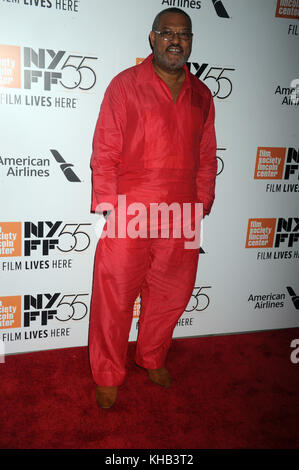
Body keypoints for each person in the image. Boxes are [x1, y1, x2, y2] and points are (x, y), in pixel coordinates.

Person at [89, 7, 217, 408]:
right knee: (115, 296)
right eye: (167, 33)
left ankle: (151, 356)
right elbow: (105, 149)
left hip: (183, 212)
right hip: (131, 207)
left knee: (171, 294)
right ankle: (108, 372)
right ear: (152, 38)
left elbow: (207, 155)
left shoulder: (202, 94)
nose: (175, 40)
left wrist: (201, 204)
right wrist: (109, 206)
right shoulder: (125, 85)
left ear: (191, 41)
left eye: (183, 34)